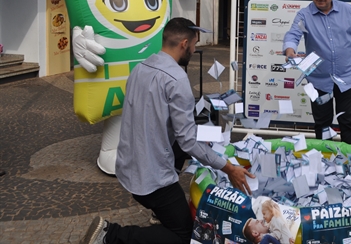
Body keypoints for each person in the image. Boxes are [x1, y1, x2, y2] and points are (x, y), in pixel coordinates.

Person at [80, 17, 254, 244]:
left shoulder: (139, 68)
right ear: (183, 43)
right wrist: (229, 168)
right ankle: (110, 235)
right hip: (151, 179)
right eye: (194, 45)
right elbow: (188, 142)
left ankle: (159, 212)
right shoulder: (177, 79)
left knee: (189, 142)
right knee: (183, 235)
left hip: (127, 166)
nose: (194, 49)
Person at [283, 0, 351, 146]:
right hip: (318, 81)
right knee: (323, 126)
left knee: (347, 123)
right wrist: (290, 50)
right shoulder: (304, 15)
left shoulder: (347, 11)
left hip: (346, 78)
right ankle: (326, 165)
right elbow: (292, 34)